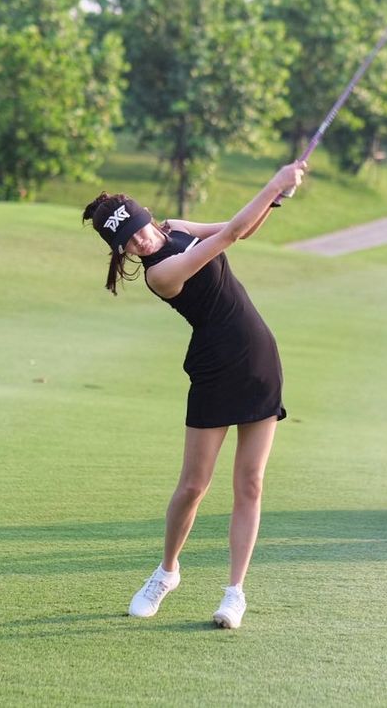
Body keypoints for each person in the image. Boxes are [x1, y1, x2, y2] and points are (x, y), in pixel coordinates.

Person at [82, 160, 307, 629]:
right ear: (121, 250)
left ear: (145, 216)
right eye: (127, 242)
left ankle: (234, 594)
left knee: (251, 483)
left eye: (137, 229)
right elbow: (228, 237)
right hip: (213, 370)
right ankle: (166, 572)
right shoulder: (159, 274)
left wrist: (275, 198)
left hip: (258, 358)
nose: (139, 241)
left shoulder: (177, 228)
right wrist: (273, 183)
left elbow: (236, 228)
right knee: (193, 486)